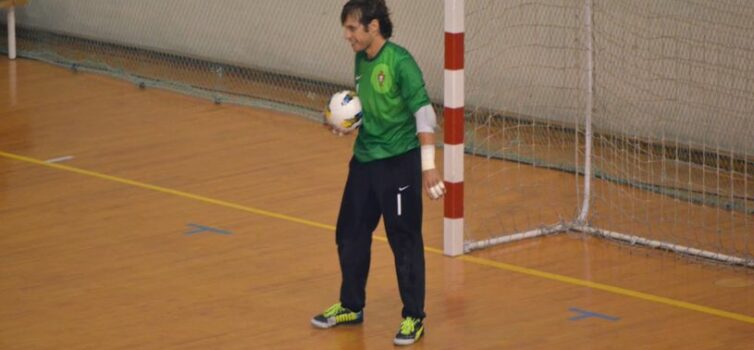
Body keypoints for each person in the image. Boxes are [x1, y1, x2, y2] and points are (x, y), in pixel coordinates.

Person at [311, 0, 445, 346]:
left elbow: (424, 115)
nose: (347, 36)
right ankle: (352, 305)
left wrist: (428, 167)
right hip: (365, 160)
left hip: (399, 163)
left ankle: (414, 317)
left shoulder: (401, 62)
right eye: (346, 29)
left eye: (353, 28)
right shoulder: (360, 58)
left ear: (373, 27)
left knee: (404, 239)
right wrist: (350, 124)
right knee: (349, 233)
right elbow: (375, 107)